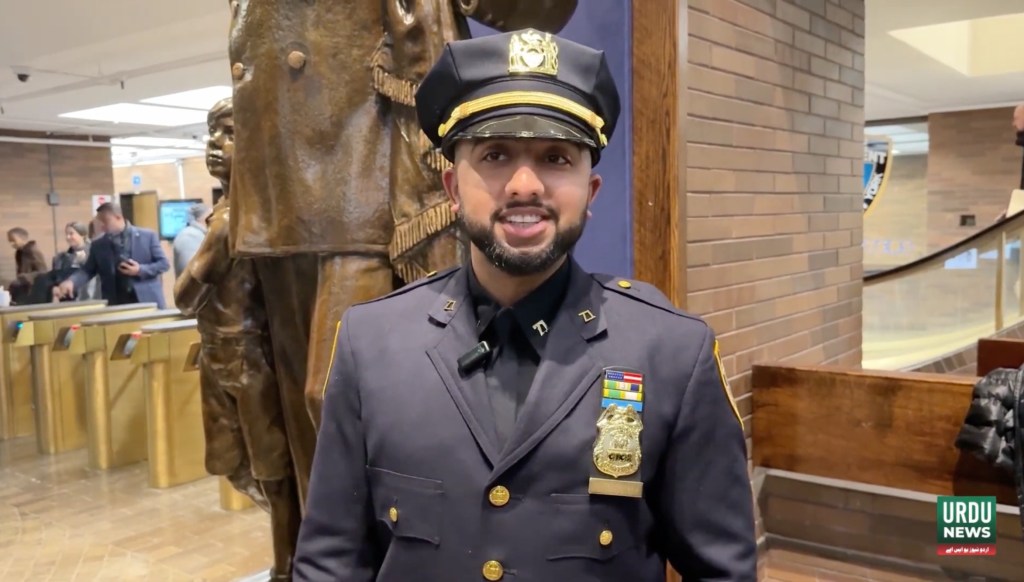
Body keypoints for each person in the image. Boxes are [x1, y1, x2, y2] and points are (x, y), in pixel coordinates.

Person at [293, 30, 756, 581]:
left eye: (556, 157)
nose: (523, 185)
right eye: (494, 154)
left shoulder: (672, 353)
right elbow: (330, 564)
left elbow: (722, 572)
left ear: (592, 191)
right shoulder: (371, 345)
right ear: (452, 188)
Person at [175, 98, 299, 581]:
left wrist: (208, 255)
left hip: (251, 356)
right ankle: (293, 544)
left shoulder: (241, 219)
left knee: (272, 469)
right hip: (216, 354)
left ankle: (288, 566)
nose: (214, 146)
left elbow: (185, 296)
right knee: (231, 464)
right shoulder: (224, 214)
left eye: (228, 134)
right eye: (210, 134)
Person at [54, 202, 169, 308]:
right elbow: (87, 270)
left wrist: (140, 270)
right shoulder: (98, 245)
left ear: (118, 218)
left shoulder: (148, 236)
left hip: (148, 301)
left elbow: (163, 264)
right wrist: (72, 281)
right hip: (116, 303)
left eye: (105, 221)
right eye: (100, 222)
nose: (102, 226)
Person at [5, 227, 48, 305]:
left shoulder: (32, 251)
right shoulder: (19, 253)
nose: (12, 244)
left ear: (22, 238)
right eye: (10, 241)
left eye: (13, 240)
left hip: (34, 289)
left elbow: (43, 271)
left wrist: (25, 277)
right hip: (23, 287)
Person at [172, 203, 212, 278]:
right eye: (210, 217)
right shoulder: (188, 236)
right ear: (200, 218)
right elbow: (193, 270)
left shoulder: (201, 234)